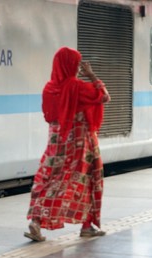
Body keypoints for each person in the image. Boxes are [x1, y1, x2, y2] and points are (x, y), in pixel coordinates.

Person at [24, 47, 111, 242]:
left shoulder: (48, 88)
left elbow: (49, 116)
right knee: (87, 180)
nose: (79, 69)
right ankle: (87, 225)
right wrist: (92, 75)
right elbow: (104, 96)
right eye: (77, 64)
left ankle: (36, 222)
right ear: (71, 65)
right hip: (81, 145)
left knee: (48, 180)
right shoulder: (77, 87)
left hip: (56, 143)